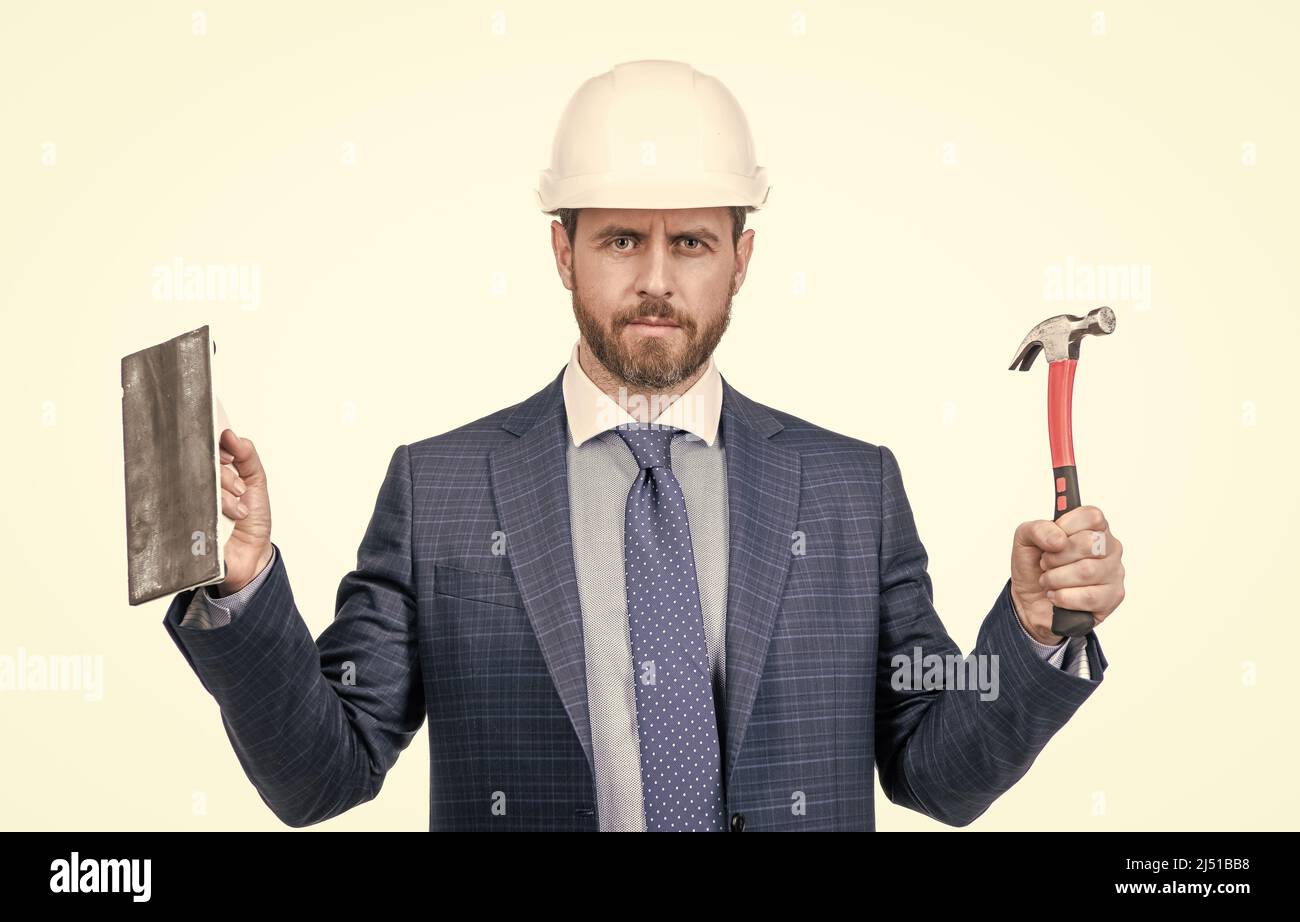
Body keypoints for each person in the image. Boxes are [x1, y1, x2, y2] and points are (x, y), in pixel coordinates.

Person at [163, 60, 1125, 831]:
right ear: (561, 250)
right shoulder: (441, 490)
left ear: (742, 259)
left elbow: (937, 771)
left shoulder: (849, 490)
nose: (656, 280)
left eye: (693, 244)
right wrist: (242, 588)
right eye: (622, 240)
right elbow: (321, 776)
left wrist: (1035, 630)